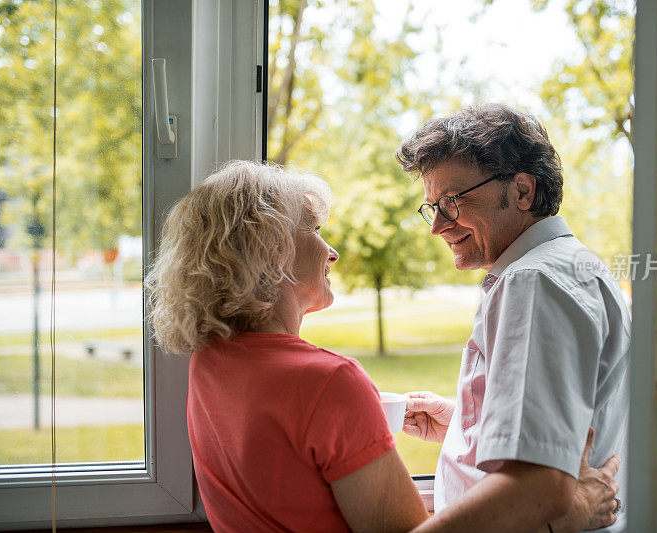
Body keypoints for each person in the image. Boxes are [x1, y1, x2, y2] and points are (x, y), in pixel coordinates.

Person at [146, 160, 619, 532]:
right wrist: (568, 514)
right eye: (313, 229)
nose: (331, 250)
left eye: (453, 201)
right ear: (271, 251)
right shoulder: (329, 381)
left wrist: (466, 429)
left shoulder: (210, 361)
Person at [396, 103, 631, 532]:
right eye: (432, 207)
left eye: (452, 201)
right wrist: (471, 424)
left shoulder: (534, 282)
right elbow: (562, 427)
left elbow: (538, 487)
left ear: (522, 191)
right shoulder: (567, 266)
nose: (438, 227)